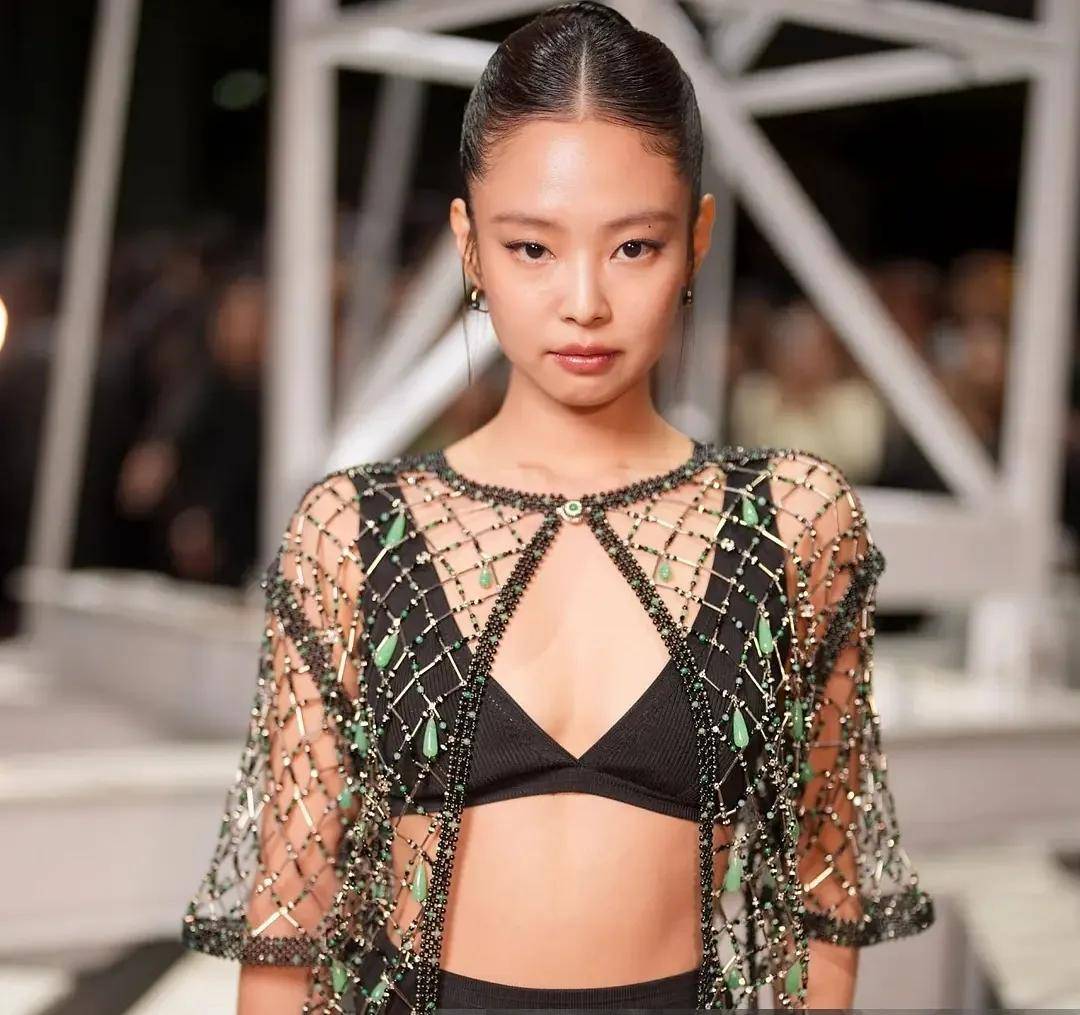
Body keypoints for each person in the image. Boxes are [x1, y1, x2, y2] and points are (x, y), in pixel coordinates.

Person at [180, 3, 935, 1011]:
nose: (584, 301)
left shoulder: (791, 520)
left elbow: (824, 891)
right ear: (470, 244)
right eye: (533, 247)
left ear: (697, 238)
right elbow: (290, 920)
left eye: (634, 247)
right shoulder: (354, 531)